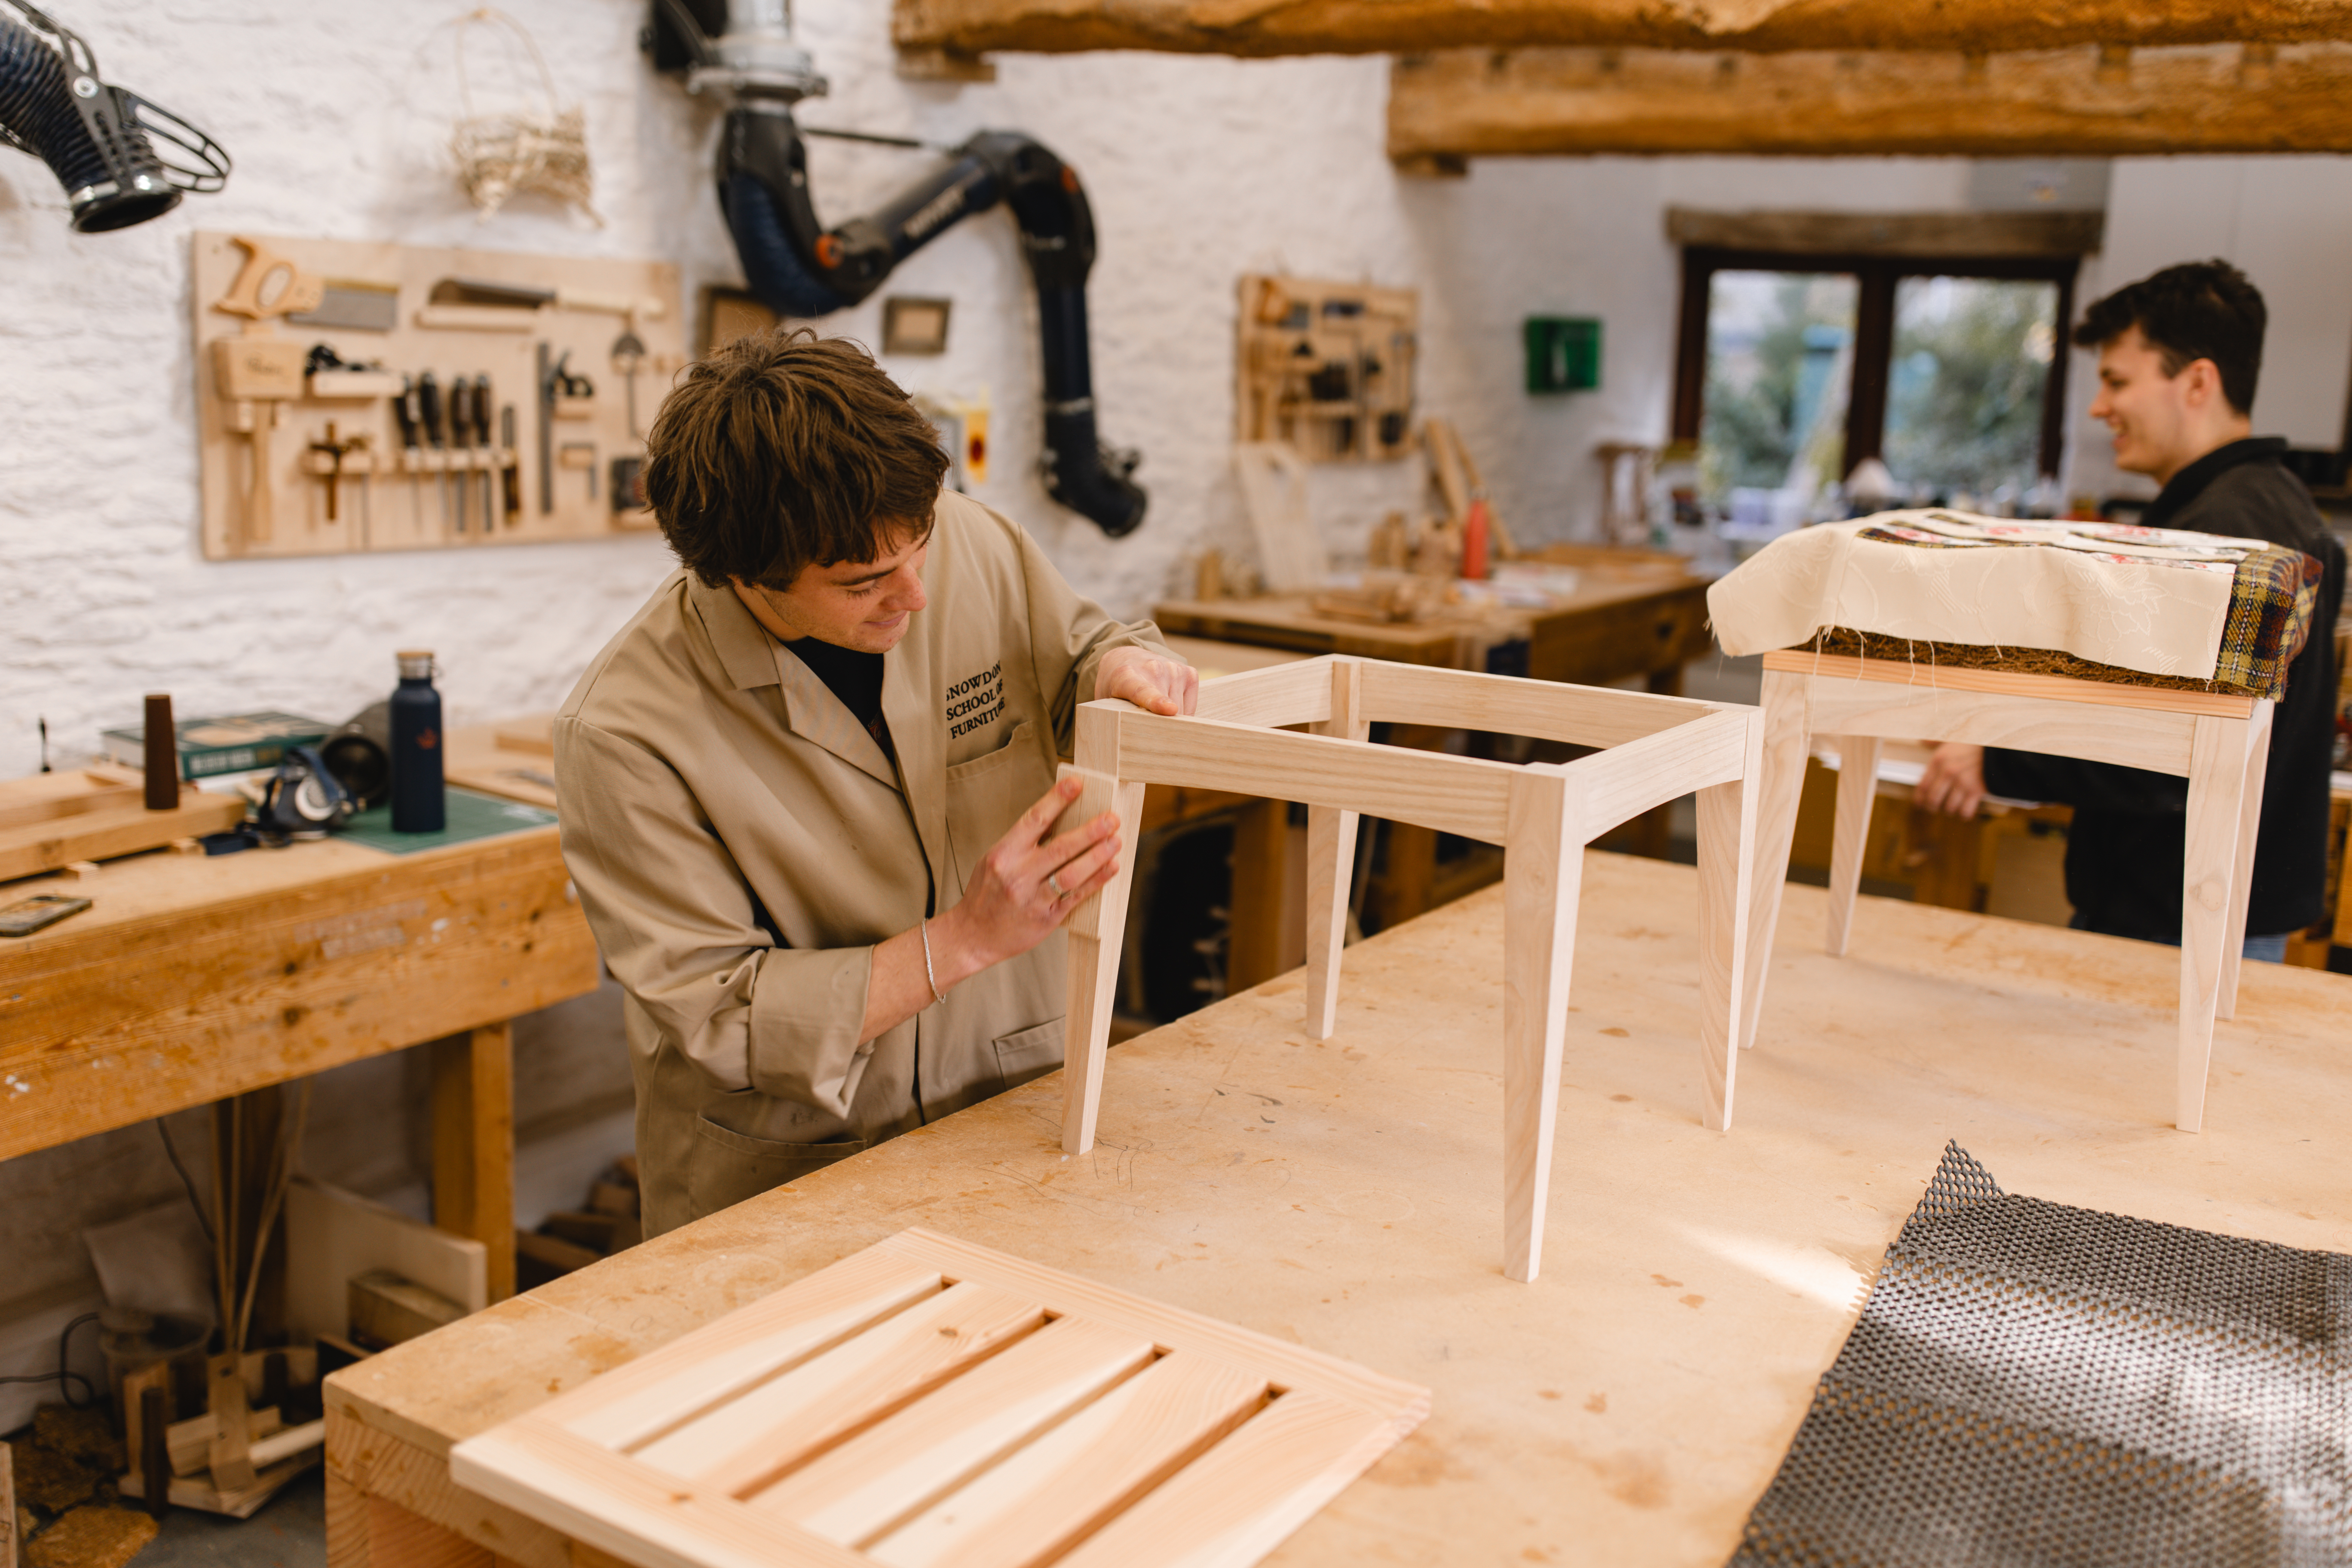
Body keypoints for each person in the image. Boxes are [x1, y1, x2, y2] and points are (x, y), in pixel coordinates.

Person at [552, 330, 1197, 1237]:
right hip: (798, 1167)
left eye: (920, 546)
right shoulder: (626, 735)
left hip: (1010, 1099)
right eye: (864, 584)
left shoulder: (961, 538)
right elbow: (720, 1016)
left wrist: (1125, 670)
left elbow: (1083, 652)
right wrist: (961, 942)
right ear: (742, 579)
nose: (916, 595)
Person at [1915, 261, 2344, 961]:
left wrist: (1996, 761)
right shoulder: (2278, 503)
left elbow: (2163, 750)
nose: (2097, 406)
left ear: (2198, 382)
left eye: (2117, 380)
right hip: (2211, 906)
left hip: (2173, 917)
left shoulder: (2219, 534)